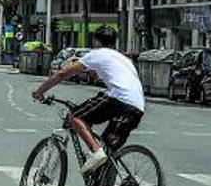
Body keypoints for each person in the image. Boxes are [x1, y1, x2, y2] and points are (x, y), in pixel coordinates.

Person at [32, 26, 145, 175]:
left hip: (118, 99)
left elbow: (63, 73)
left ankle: (95, 151)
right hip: (137, 106)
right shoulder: (124, 59)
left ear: (96, 41)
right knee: (109, 151)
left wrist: (40, 91)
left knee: (76, 117)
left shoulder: (97, 54)